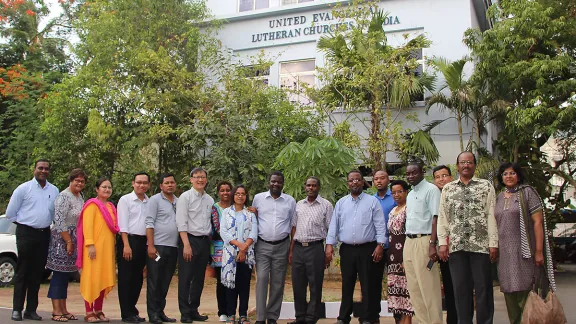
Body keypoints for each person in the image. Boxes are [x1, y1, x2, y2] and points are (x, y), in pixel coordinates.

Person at [438, 152, 498, 324]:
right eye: (462, 162)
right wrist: (443, 243)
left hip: (480, 246)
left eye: (469, 162)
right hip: (457, 247)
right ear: (457, 166)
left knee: (483, 290)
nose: (466, 165)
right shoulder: (449, 188)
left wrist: (493, 243)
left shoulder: (485, 186)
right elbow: (443, 217)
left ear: (475, 165)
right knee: (461, 291)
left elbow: (491, 215)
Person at [494, 162, 556, 324]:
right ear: (501, 177)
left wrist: (539, 251)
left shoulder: (528, 193)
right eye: (505, 174)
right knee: (509, 293)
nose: (509, 176)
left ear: (518, 175)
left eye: (512, 173)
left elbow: (537, 222)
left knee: (526, 294)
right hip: (505, 256)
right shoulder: (499, 197)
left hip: (524, 253)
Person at [325, 170, 387, 324]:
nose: (354, 183)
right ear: (348, 183)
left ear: (362, 182)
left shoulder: (372, 202)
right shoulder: (341, 203)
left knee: (367, 285)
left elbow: (380, 225)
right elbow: (334, 226)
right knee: (347, 284)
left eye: (357, 180)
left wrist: (380, 245)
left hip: (368, 249)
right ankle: (343, 317)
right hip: (347, 250)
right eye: (351, 180)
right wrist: (329, 245)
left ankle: (367, 317)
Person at [6, 159, 60, 321]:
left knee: (37, 273)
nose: (43, 171)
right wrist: (26, 224)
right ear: (34, 169)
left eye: (46, 169)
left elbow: (54, 214)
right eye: (40, 168)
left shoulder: (54, 190)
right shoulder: (24, 189)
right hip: (26, 232)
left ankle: (31, 310)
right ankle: (17, 309)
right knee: (23, 271)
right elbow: (11, 213)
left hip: (44, 234)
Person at [252, 171, 296, 324]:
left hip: (282, 246)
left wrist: (291, 249)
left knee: (278, 282)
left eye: (279, 182)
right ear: (269, 182)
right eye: (273, 181)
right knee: (262, 279)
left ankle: (272, 317)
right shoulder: (258, 198)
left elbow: (293, 226)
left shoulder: (290, 201)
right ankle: (260, 318)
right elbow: (253, 219)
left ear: (283, 184)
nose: (276, 184)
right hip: (262, 245)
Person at [289, 177, 334, 324]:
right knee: (298, 285)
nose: (311, 188)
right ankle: (300, 317)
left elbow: (331, 229)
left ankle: (311, 318)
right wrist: (291, 251)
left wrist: (329, 249)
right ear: (305, 187)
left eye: (314, 185)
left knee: (315, 284)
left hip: (315, 248)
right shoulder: (298, 205)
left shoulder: (326, 205)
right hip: (298, 248)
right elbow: (294, 228)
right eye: (308, 185)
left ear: (319, 187)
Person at [46, 169, 88, 322]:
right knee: (58, 274)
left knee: (66, 276)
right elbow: (59, 220)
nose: (79, 183)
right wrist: (68, 241)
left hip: (74, 238)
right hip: (62, 239)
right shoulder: (64, 196)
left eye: (82, 181)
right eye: (77, 180)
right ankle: (56, 310)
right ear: (71, 180)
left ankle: (63, 309)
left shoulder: (79, 196)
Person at [403, 161, 442, 324]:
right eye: (408, 174)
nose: (411, 176)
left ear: (422, 172)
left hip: (425, 241)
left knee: (429, 288)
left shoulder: (431, 190)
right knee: (414, 288)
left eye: (414, 173)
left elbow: (436, 218)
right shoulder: (411, 194)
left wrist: (433, 244)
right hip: (409, 242)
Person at [77, 177, 120, 323]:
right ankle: (89, 312)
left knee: (103, 278)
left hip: (107, 250)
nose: (107, 190)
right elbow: (87, 227)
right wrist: (90, 245)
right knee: (91, 278)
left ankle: (98, 309)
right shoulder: (92, 205)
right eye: (104, 187)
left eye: (109, 187)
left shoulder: (110, 207)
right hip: (93, 249)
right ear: (97, 189)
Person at [176, 167, 214, 323]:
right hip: (189, 240)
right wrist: (186, 244)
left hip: (204, 241)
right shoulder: (185, 197)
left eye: (203, 177)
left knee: (199, 278)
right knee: (186, 277)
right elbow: (181, 222)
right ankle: (184, 312)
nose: (200, 180)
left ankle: (194, 309)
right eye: (197, 177)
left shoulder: (210, 199)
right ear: (191, 179)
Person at [432, 165, 467, 324]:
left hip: (458, 247)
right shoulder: (433, 197)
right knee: (448, 286)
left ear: (451, 177)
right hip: (440, 249)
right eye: (438, 177)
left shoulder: (458, 194)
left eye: (444, 175)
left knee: (461, 286)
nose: (441, 179)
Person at [220, 185, 258, 324]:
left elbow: (254, 233)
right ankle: (231, 315)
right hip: (230, 255)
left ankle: (243, 315)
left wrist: (244, 249)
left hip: (246, 255)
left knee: (244, 286)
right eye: (237, 193)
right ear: (233, 195)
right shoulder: (226, 213)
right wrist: (239, 246)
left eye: (243, 194)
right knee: (230, 285)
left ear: (246, 196)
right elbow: (224, 232)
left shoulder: (250, 214)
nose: (240, 196)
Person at [145, 173, 180, 324]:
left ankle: (160, 311)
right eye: (167, 183)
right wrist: (151, 246)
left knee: (165, 280)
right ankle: (152, 314)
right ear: (161, 186)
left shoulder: (179, 201)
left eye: (172, 182)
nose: (170, 185)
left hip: (173, 248)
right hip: (158, 248)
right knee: (155, 280)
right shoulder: (155, 200)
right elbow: (149, 222)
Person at [117, 172, 151, 323]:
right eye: (139, 182)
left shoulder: (149, 201)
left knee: (138, 278)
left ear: (148, 185)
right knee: (126, 278)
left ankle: (133, 309)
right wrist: (126, 245)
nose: (141, 185)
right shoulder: (125, 200)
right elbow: (122, 224)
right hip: (128, 241)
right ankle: (126, 313)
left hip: (143, 242)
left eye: (144, 183)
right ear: (133, 183)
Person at [386, 180, 414, 324]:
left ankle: (407, 321)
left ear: (406, 192)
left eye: (400, 191)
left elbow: (409, 234)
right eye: (394, 192)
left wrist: (406, 257)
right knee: (396, 292)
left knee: (406, 292)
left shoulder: (409, 209)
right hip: (392, 258)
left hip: (404, 254)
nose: (396, 195)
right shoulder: (392, 211)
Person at [211, 181, 233, 322]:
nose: (225, 193)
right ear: (218, 192)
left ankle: (232, 310)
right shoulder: (215, 208)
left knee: (233, 279)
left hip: (235, 248)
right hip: (219, 248)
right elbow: (217, 227)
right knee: (221, 280)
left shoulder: (236, 207)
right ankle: (222, 312)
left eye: (228, 190)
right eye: (222, 190)